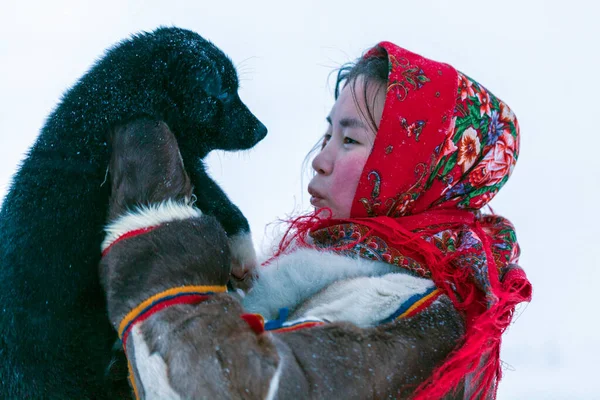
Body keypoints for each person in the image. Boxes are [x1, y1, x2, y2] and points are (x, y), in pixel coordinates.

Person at [101, 41, 532, 399]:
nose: (320, 160)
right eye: (327, 135)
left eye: (350, 139)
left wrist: (157, 238)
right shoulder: (341, 282)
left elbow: (230, 387)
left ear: (415, 168)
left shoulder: (414, 314)